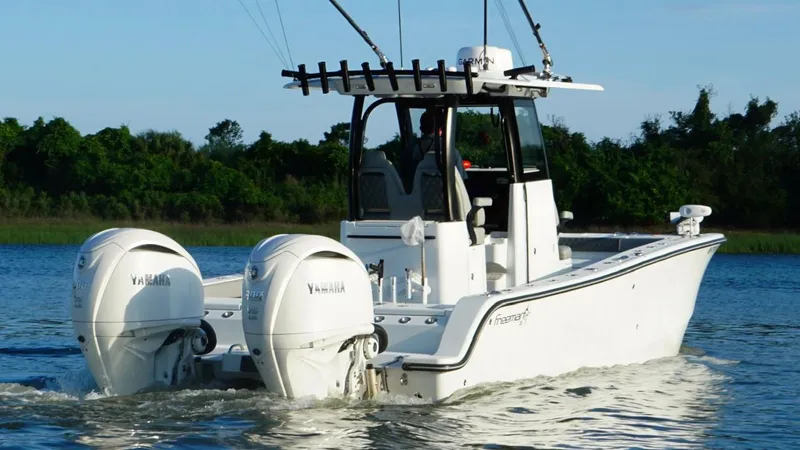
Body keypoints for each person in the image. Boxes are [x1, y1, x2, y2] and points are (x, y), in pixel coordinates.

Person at [410, 108, 468, 180]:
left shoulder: (411, 150)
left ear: (421, 128)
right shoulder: (450, 151)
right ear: (441, 129)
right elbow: (460, 180)